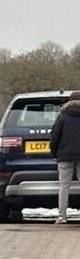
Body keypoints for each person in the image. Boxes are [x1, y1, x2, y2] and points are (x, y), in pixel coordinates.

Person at [51, 93, 80, 224]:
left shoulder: (62, 116)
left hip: (65, 156)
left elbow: (54, 136)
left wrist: (54, 153)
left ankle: (62, 216)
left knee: (64, 186)